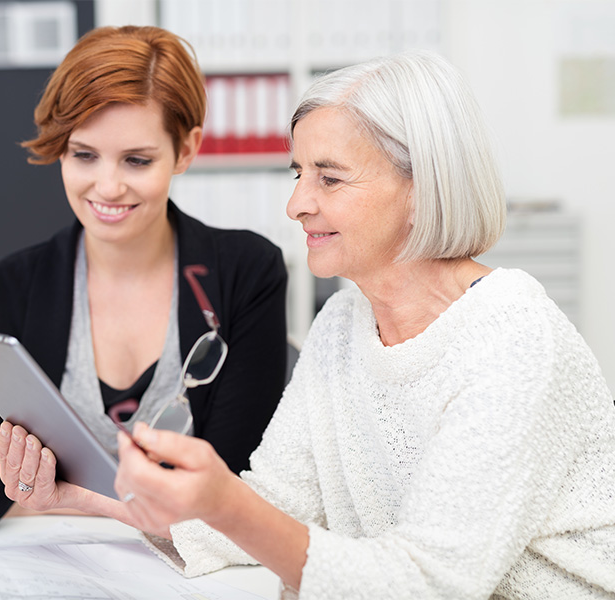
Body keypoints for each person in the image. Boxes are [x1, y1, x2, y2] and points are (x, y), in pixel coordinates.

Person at [95, 50, 615, 598]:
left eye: (330, 178)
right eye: (299, 173)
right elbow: (280, 502)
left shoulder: (513, 337)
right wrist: (91, 501)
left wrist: (227, 504)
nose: (297, 204)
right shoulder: (342, 324)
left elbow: (431, 583)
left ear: (422, 189)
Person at [0, 26, 287, 535]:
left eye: (137, 160)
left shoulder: (247, 271)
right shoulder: (14, 286)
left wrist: (71, 499)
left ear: (186, 150)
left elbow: (229, 493)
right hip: (66, 563)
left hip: (198, 567)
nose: (108, 186)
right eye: (84, 155)